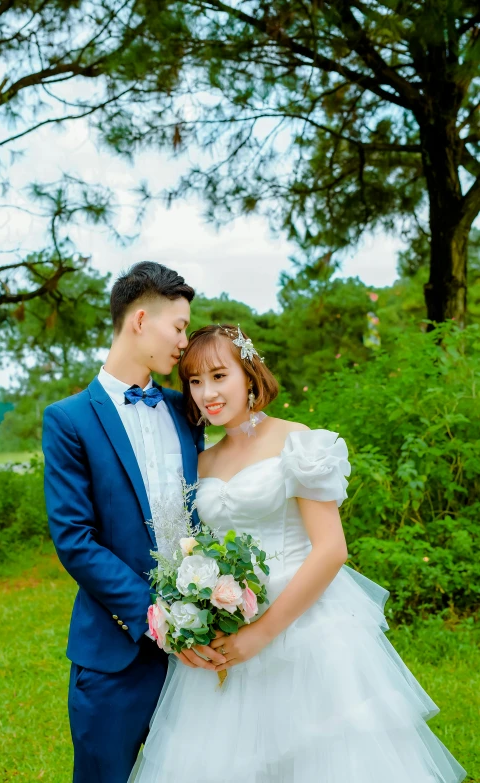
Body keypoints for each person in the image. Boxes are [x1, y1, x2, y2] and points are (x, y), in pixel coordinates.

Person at [131, 323, 466, 783]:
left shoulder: (300, 443)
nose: (207, 392)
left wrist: (262, 633)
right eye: (194, 381)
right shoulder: (202, 460)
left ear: (248, 375)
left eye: (218, 376)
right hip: (229, 624)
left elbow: (331, 550)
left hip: (306, 628)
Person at [42, 262, 226, 783]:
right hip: (115, 653)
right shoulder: (68, 419)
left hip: (198, 652)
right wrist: (156, 614)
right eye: (180, 326)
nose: (185, 341)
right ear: (141, 320)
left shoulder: (186, 409)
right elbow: (75, 540)